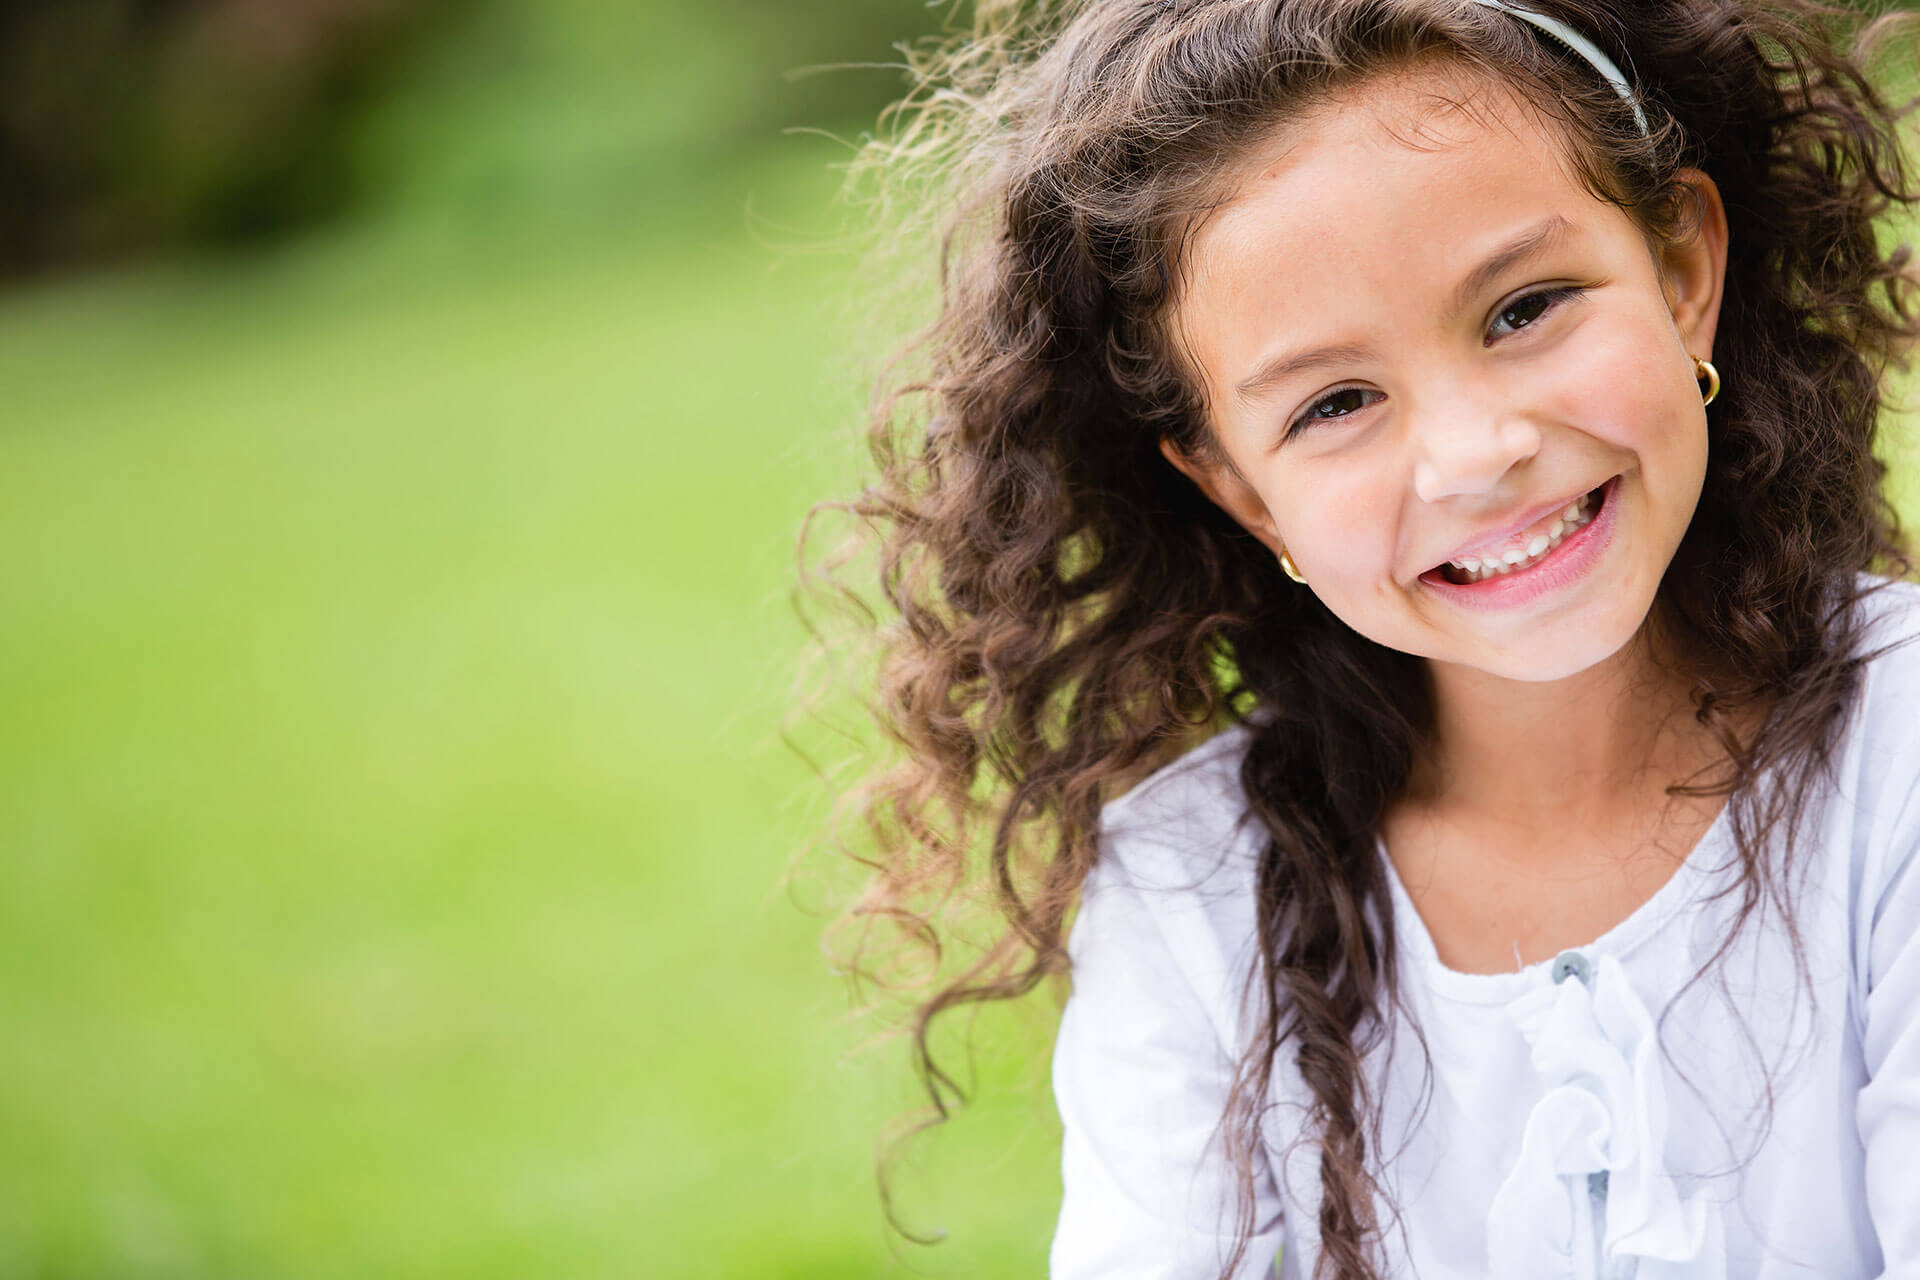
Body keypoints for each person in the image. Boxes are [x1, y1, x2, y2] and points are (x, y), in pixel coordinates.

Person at [811, 0, 1920, 1274]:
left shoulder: (1899, 755)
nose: (1472, 455)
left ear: (1681, 273)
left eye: (1524, 308)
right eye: (1336, 402)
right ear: (1234, 484)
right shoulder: (1194, 883)